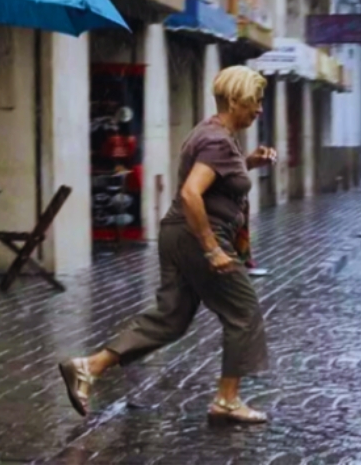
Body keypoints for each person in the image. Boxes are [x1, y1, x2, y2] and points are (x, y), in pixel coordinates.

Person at [58, 66, 276, 425]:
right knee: (243, 311)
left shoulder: (213, 134)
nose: (260, 109)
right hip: (197, 236)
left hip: (178, 234)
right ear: (236, 99)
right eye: (256, 101)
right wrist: (211, 248)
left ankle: (88, 367)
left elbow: (214, 183)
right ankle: (227, 399)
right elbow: (192, 193)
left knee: (170, 319)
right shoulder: (218, 141)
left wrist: (248, 162)